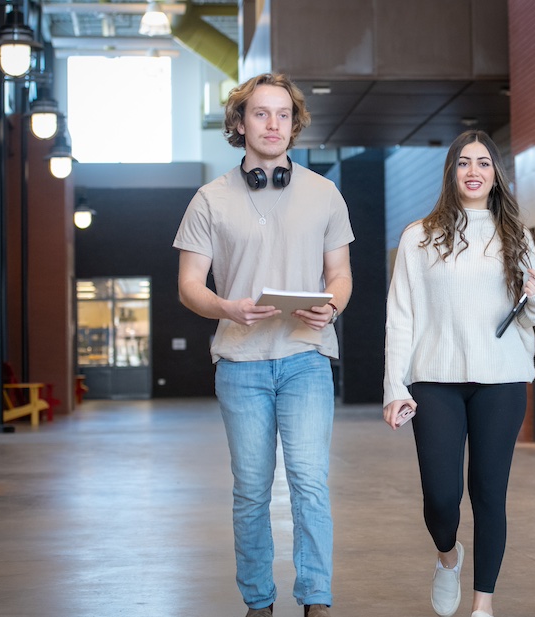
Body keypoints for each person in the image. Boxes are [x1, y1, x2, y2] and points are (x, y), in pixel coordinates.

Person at [173, 73, 353, 617]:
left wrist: (334, 305)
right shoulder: (209, 199)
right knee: (251, 491)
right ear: (239, 122)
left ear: (294, 124)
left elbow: (340, 274)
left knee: (310, 486)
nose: (272, 124)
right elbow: (188, 285)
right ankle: (258, 602)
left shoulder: (325, 193)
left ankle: (316, 599)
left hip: (306, 355)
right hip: (241, 362)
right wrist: (225, 306)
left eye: (282, 114)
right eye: (260, 113)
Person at [383, 130, 535, 617]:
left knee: (489, 492)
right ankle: (448, 556)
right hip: (434, 378)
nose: (473, 171)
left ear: (495, 173)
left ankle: (483, 605)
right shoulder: (419, 236)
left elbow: (528, 314)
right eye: (463, 162)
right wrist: (395, 386)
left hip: (500, 377)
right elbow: (401, 316)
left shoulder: (516, 235)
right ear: (451, 172)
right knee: (441, 496)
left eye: (483, 162)